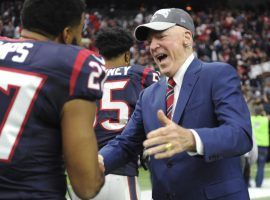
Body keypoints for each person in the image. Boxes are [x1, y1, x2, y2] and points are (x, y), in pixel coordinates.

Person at [99, 8, 253, 200]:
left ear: (187, 37)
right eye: (150, 41)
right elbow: (126, 144)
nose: (153, 46)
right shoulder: (148, 95)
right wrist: (97, 161)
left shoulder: (218, 74)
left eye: (161, 36)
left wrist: (192, 138)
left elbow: (241, 134)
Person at [0, 0, 105, 199]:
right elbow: (86, 186)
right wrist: (95, 169)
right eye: (79, 31)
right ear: (66, 34)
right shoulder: (74, 64)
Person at [93, 27, 159, 200]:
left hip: (86, 173)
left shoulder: (87, 78)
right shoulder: (142, 74)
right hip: (121, 168)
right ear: (127, 56)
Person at [251, 105, 270, 187]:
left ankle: (247, 182)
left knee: (250, 165)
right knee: (261, 166)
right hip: (263, 145)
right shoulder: (265, 120)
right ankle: (258, 183)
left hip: (254, 145)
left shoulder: (251, 119)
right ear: (262, 112)